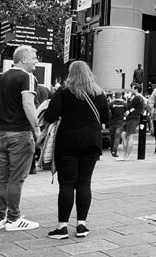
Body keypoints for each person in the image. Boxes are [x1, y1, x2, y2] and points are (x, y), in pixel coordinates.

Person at [43, 61, 110, 239]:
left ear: (71, 74)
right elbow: (106, 118)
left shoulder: (64, 92)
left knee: (66, 184)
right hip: (92, 142)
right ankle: (82, 226)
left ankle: (62, 227)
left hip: (69, 142)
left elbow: (50, 116)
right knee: (84, 183)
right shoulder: (99, 93)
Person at [0, 45, 41, 232]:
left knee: (3, 177)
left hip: (4, 134)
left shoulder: (3, 77)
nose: (36, 61)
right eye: (34, 57)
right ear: (24, 59)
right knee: (16, 179)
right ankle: (14, 219)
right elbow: (28, 103)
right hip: (21, 134)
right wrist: (37, 128)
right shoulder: (28, 77)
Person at [120, 84, 144, 161]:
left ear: (136, 89)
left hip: (133, 118)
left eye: (132, 89)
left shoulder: (138, 97)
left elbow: (128, 106)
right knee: (123, 134)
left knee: (129, 136)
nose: (131, 90)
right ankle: (125, 155)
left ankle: (126, 156)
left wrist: (128, 98)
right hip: (131, 118)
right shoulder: (138, 98)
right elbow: (130, 107)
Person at [109, 92, 127, 158]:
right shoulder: (124, 104)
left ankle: (112, 151)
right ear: (121, 96)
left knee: (112, 137)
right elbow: (127, 112)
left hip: (111, 123)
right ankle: (114, 151)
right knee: (117, 138)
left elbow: (109, 113)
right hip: (119, 123)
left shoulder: (111, 104)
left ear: (114, 96)